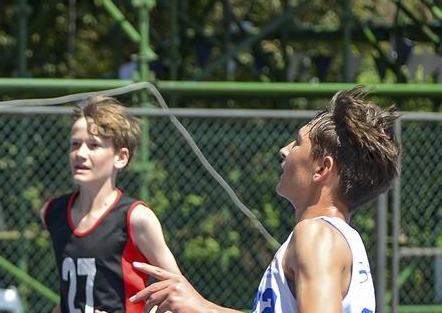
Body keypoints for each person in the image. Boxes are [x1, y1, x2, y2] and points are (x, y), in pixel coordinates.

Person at [130, 87, 401, 313]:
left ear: (322, 169)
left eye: (297, 143)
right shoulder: (341, 239)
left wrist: (202, 308)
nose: (284, 151)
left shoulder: (316, 235)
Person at [40, 95, 181, 313]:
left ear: (120, 157)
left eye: (93, 145)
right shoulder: (53, 212)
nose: (80, 154)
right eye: (75, 144)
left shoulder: (135, 218)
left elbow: (177, 296)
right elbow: (72, 296)